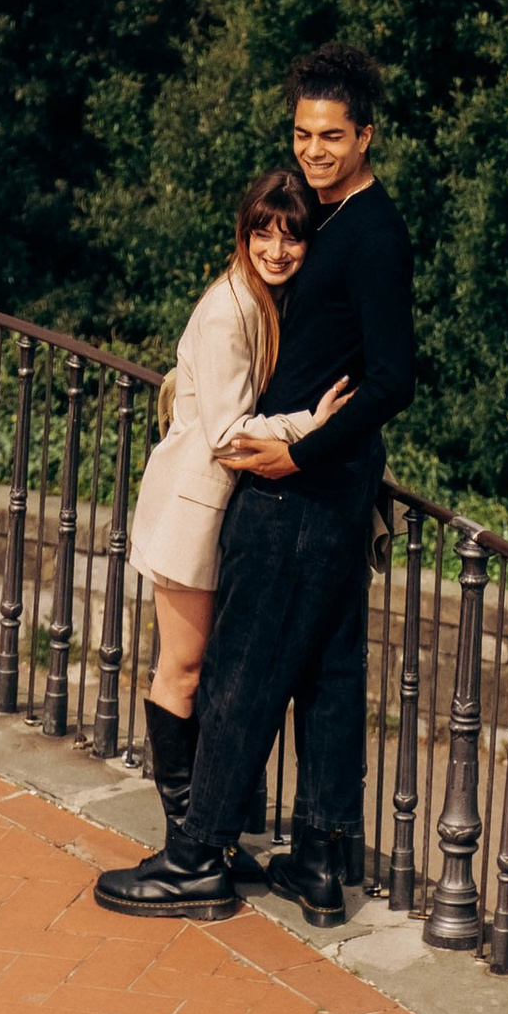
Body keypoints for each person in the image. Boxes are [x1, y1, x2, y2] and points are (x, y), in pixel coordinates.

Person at [97, 43, 415, 926]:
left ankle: (196, 858)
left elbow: (393, 380)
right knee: (324, 671)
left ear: (366, 135)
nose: (316, 151)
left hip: (300, 491)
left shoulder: (375, 233)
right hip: (326, 488)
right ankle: (317, 860)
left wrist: (299, 453)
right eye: (305, 134)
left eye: (334, 136)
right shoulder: (327, 214)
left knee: (239, 675)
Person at [124, 168, 351, 863]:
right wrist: (310, 422)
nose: (277, 248)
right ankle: (185, 842)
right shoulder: (230, 310)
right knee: (184, 669)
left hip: (217, 506)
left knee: (209, 669)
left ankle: (203, 837)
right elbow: (228, 432)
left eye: (291, 235)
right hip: (192, 507)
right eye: (264, 231)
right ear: (243, 232)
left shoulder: (264, 300)